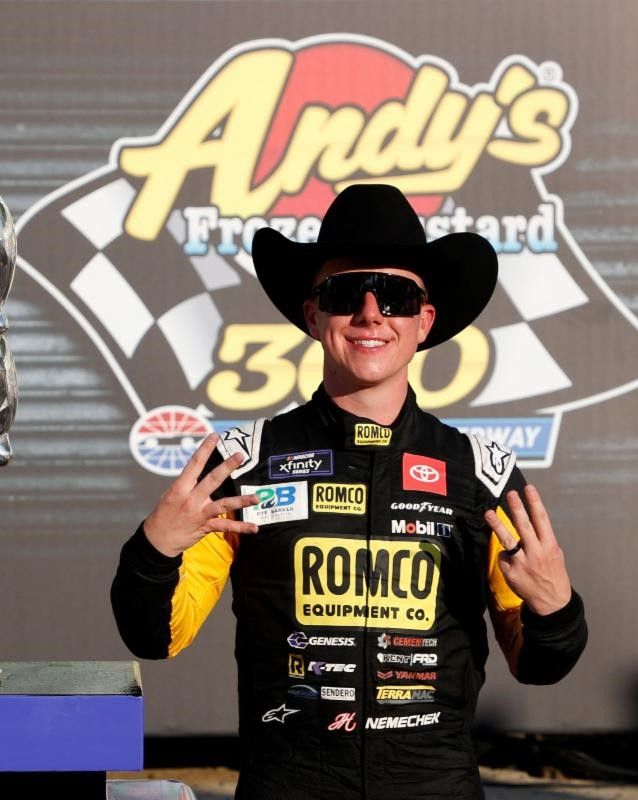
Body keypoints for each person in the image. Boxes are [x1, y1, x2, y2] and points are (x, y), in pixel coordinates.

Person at [110, 184, 588, 800]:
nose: (370, 314)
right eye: (344, 293)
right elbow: (155, 637)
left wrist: (556, 609)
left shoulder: (481, 473)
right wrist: (154, 550)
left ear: (424, 321)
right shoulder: (244, 464)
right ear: (313, 315)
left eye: (394, 295)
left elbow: (542, 665)